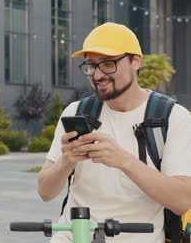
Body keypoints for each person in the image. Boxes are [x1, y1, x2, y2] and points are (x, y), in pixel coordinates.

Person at [37, 22, 191, 242]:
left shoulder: (172, 118)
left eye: (108, 64)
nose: (97, 75)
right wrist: (65, 162)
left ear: (135, 61)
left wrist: (124, 161)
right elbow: (45, 192)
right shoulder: (77, 112)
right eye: (91, 65)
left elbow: (182, 202)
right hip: (73, 237)